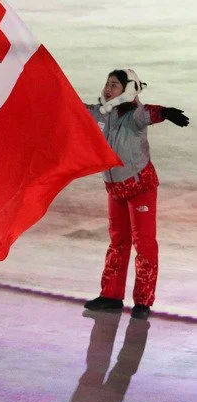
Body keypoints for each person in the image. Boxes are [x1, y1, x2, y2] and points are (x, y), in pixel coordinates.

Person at [83, 69, 189, 320]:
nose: (108, 89)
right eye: (107, 83)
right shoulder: (100, 113)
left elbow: (149, 113)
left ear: (128, 89)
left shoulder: (134, 115)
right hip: (115, 189)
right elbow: (74, 110)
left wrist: (165, 112)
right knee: (118, 242)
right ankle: (111, 296)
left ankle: (142, 301)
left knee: (144, 244)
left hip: (140, 188)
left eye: (115, 85)